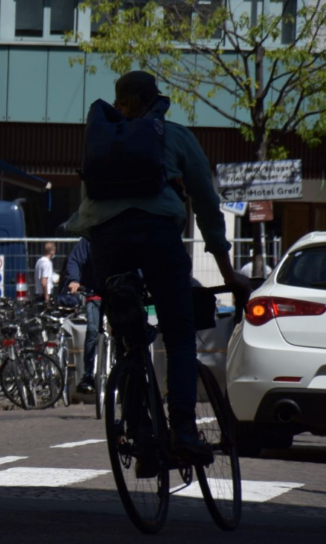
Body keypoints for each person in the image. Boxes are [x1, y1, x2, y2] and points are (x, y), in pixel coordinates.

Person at [67, 70, 250, 464]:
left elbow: (89, 207)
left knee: (129, 337)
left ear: (119, 104)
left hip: (108, 245)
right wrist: (227, 273)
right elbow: (206, 206)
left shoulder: (99, 141)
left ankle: (141, 433)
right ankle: (183, 429)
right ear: (157, 101)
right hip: (158, 240)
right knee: (179, 333)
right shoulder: (175, 136)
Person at [64, 238, 101, 394]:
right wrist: (74, 279)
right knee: (92, 330)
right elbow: (75, 259)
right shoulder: (88, 239)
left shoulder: (120, 232)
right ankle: (88, 375)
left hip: (118, 290)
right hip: (94, 293)